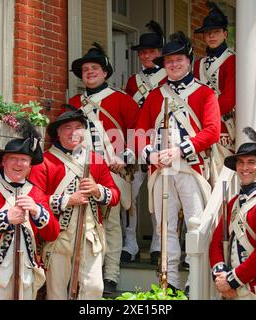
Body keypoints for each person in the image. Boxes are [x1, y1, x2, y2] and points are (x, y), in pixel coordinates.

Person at [136, 31, 221, 293]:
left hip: (190, 167)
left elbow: (212, 131)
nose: (174, 65)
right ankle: (169, 281)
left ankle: (193, 279)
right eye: (169, 61)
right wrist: (149, 153)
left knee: (195, 224)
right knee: (164, 229)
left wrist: (180, 151)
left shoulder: (204, 94)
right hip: (161, 170)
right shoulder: (154, 96)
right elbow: (139, 133)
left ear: (188, 61)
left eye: (179, 60)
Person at [68, 43, 140, 294]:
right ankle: (89, 274)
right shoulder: (74, 102)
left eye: (94, 68)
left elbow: (137, 134)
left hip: (110, 172)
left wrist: (125, 156)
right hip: (81, 172)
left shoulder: (123, 101)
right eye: (85, 69)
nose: (89, 72)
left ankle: (110, 275)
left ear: (105, 72)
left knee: (110, 225)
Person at [29, 108, 120, 300]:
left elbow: (114, 195)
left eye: (78, 128)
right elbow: (36, 201)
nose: (73, 133)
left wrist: (97, 190)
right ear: (58, 134)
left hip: (90, 234)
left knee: (94, 287)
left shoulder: (95, 160)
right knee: (57, 292)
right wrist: (68, 200)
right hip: (58, 237)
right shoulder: (44, 162)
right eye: (67, 128)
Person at [0, 121, 60, 300]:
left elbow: (52, 233)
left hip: (25, 275)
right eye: (13, 158)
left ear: (30, 165)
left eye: (24, 160)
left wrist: (38, 211)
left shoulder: (36, 192)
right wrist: (4, 218)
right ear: (4, 160)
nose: (19, 164)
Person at [209, 127, 256, 300]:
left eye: (251, 162)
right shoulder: (233, 203)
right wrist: (221, 275)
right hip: (232, 291)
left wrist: (231, 281)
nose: (245, 167)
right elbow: (215, 243)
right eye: (240, 162)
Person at [122, 20, 167, 264]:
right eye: (142, 52)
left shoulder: (167, 78)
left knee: (160, 195)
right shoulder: (132, 81)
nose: (146, 56)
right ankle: (130, 243)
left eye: (150, 51)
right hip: (136, 141)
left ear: (160, 53)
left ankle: (159, 243)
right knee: (130, 195)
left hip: (160, 141)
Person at [193, 2, 236, 169]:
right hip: (200, 124)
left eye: (216, 32)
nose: (211, 36)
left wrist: (207, 116)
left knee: (222, 171)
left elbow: (229, 99)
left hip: (222, 124)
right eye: (207, 33)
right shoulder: (198, 64)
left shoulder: (231, 60)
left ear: (225, 34)